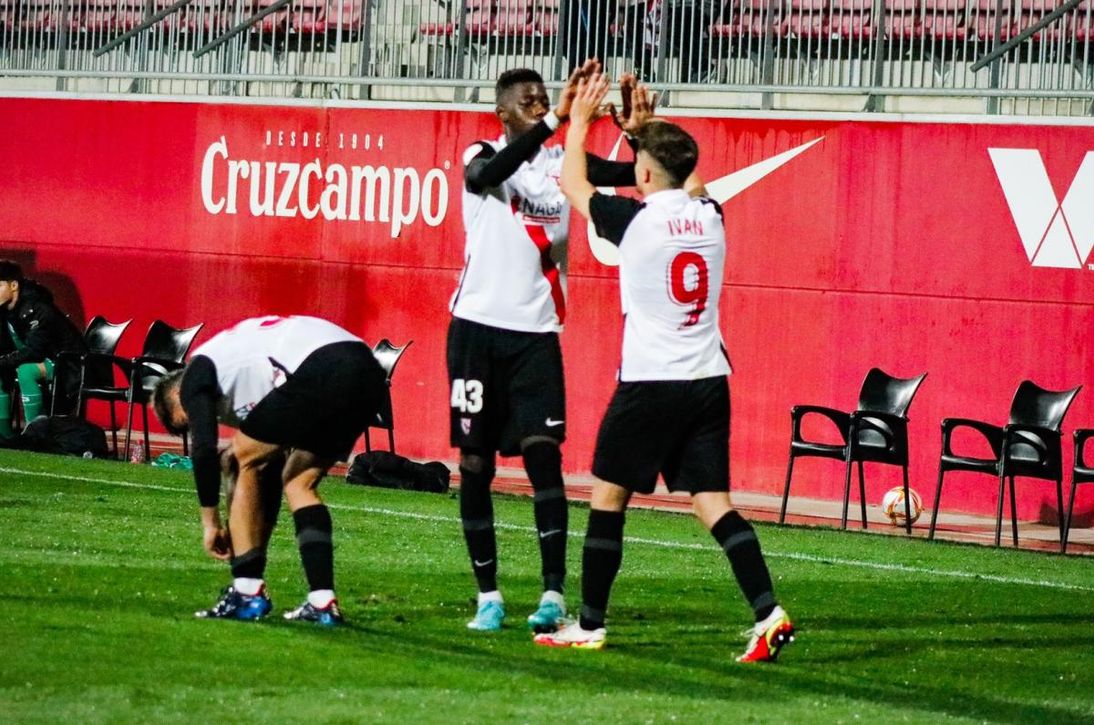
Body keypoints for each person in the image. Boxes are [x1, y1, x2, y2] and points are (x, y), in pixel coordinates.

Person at [534, 76, 795, 662]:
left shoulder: (636, 222)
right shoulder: (711, 214)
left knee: (608, 498)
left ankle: (592, 623)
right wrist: (640, 135)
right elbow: (688, 179)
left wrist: (578, 122)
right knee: (713, 503)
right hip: (707, 379)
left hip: (651, 382)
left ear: (644, 176)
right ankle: (767, 610)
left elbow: (572, 181)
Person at [448, 60, 646, 634]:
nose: (539, 104)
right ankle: (488, 595)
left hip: (536, 335)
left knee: (543, 457)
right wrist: (558, 118)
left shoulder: (566, 166)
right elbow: (487, 175)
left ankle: (553, 592)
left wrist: (636, 129)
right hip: (475, 331)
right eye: (528, 99)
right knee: (475, 464)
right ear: (501, 110)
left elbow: (638, 173)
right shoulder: (479, 152)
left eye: (544, 97)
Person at [152, 315, 387, 626]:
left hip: (324, 365)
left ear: (177, 396)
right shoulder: (248, 374)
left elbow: (205, 450)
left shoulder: (198, 372)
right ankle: (322, 602)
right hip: (367, 372)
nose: (200, 419)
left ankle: (247, 592)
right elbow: (267, 478)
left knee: (237, 459)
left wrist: (211, 523)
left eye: (189, 418)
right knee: (298, 482)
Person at [0, 260, 87, 439]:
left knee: (26, 371)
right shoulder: (5, 311)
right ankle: (4, 436)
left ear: (14, 285)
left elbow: (34, 351)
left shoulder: (38, 308)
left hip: (67, 362)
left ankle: (34, 436)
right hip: (40, 359)